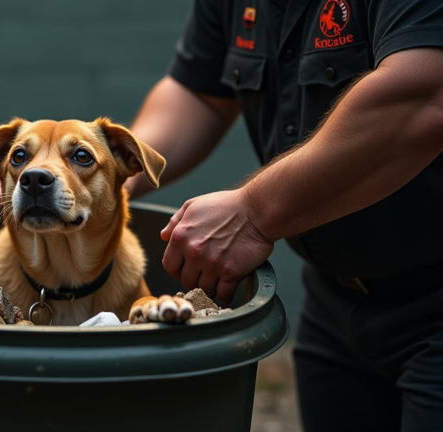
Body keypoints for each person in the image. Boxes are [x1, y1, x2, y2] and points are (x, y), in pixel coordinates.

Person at [124, 1, 443, 431]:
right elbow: (199, 92)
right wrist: (101, 177)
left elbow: (424, 99)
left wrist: (251, 213)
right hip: (334, 305)